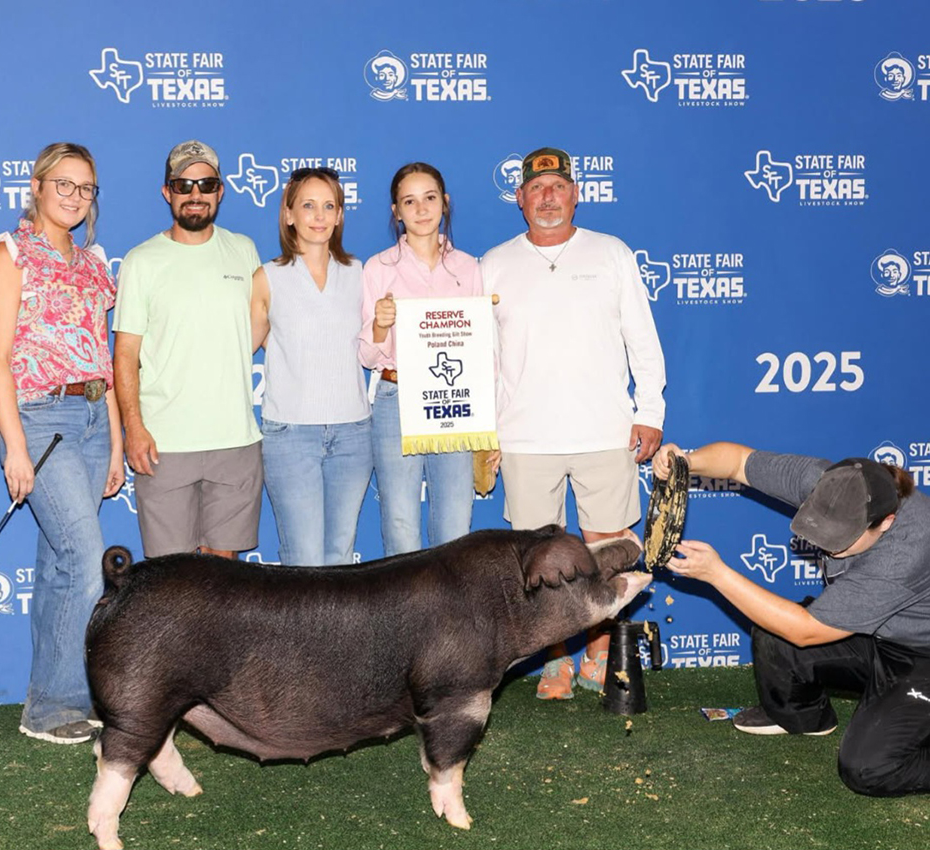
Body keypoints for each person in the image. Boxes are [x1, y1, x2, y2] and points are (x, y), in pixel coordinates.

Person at [481, 147, 666, 700]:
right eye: (536, 189)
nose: (548, 197)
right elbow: (483, 359)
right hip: (523, 435)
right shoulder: (493, 264)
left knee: (607, 547)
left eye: (558, 186)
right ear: (519, 199)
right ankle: (555, 659)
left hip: (604, 429)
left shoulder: (611, 254)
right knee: (540, 561)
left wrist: (649, 410)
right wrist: (485, 433)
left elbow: (643, 339)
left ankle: (600, 650)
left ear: (576, 193)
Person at [654, 442, 929, 796]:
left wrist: (717, 574)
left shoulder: (906, 551)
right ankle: (805, 718)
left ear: (886, 523)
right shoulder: (832, 483)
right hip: (881, 636)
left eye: (841, 540)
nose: (828, 548)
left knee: (868, 770)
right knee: (772, 630)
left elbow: (804, 631)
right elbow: (737, 462)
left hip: (922, 657)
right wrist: (685, 463)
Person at [0, 141, 123, 744]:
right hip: (39, 418)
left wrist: (113, 440)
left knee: (62, 563)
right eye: (65, 184)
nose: (75, 197)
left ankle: (63, 696)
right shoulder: (8, 256)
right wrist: (13, 447)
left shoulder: (92, 264)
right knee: (86, 557)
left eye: (86, 189)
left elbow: (102, 359)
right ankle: (50, 705)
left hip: (89, 417)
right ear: (36, 185)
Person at [113, 140, 263, 560]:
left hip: (234, 439)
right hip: (164, 442)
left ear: (220, 191)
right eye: (184, 185)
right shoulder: (141, 261)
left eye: (206, 184)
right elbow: (125, 354)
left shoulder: (245, 250)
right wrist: (134, 428)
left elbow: (258, 331)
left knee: (223, 581)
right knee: (171, 581)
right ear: (168, 192)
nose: (195, 194)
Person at [359, 162, 485, 556]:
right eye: (409, 201)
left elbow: (485, 349)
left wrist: (488, 424)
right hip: (396, 395)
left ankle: (449, 618)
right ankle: (404, 618)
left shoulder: (469, 267)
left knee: (454, 522)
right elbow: (366, 354)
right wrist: (380, 325)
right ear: (396, 211)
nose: (421, 209)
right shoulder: (378, 267)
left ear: (444, 203)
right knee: (399, 522)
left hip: (455, 399)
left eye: (430, 198)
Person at [250, 168, 371, 565]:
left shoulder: (360, 274)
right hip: (291, 436)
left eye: (328, 206)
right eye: (307, 205)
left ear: (339, 216)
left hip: (353, 433)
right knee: (302, 561)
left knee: (339, 558)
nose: (318, 216)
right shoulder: (267, 277)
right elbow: (243, 345)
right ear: (288, 215)